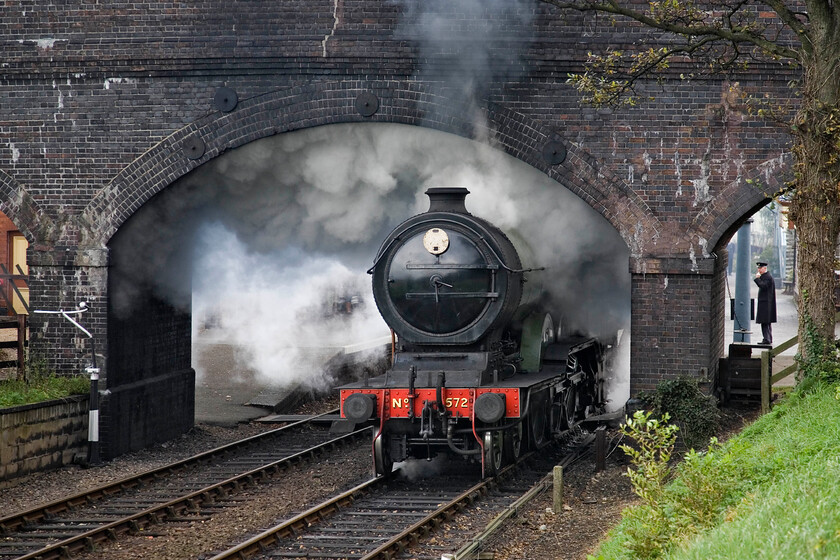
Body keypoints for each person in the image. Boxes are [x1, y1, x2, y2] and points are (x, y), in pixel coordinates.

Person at [754, 261, 777, 344]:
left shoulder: (767, 277)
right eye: (758, 268)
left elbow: (763, 286)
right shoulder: (765, 276)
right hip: (765, 303)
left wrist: (757, 279)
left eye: (760, 268)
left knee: (765, 322)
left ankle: (767, 339)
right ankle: (768, 338)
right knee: (766, 323)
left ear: (765, 268)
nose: (759, 270)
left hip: (766, 304)